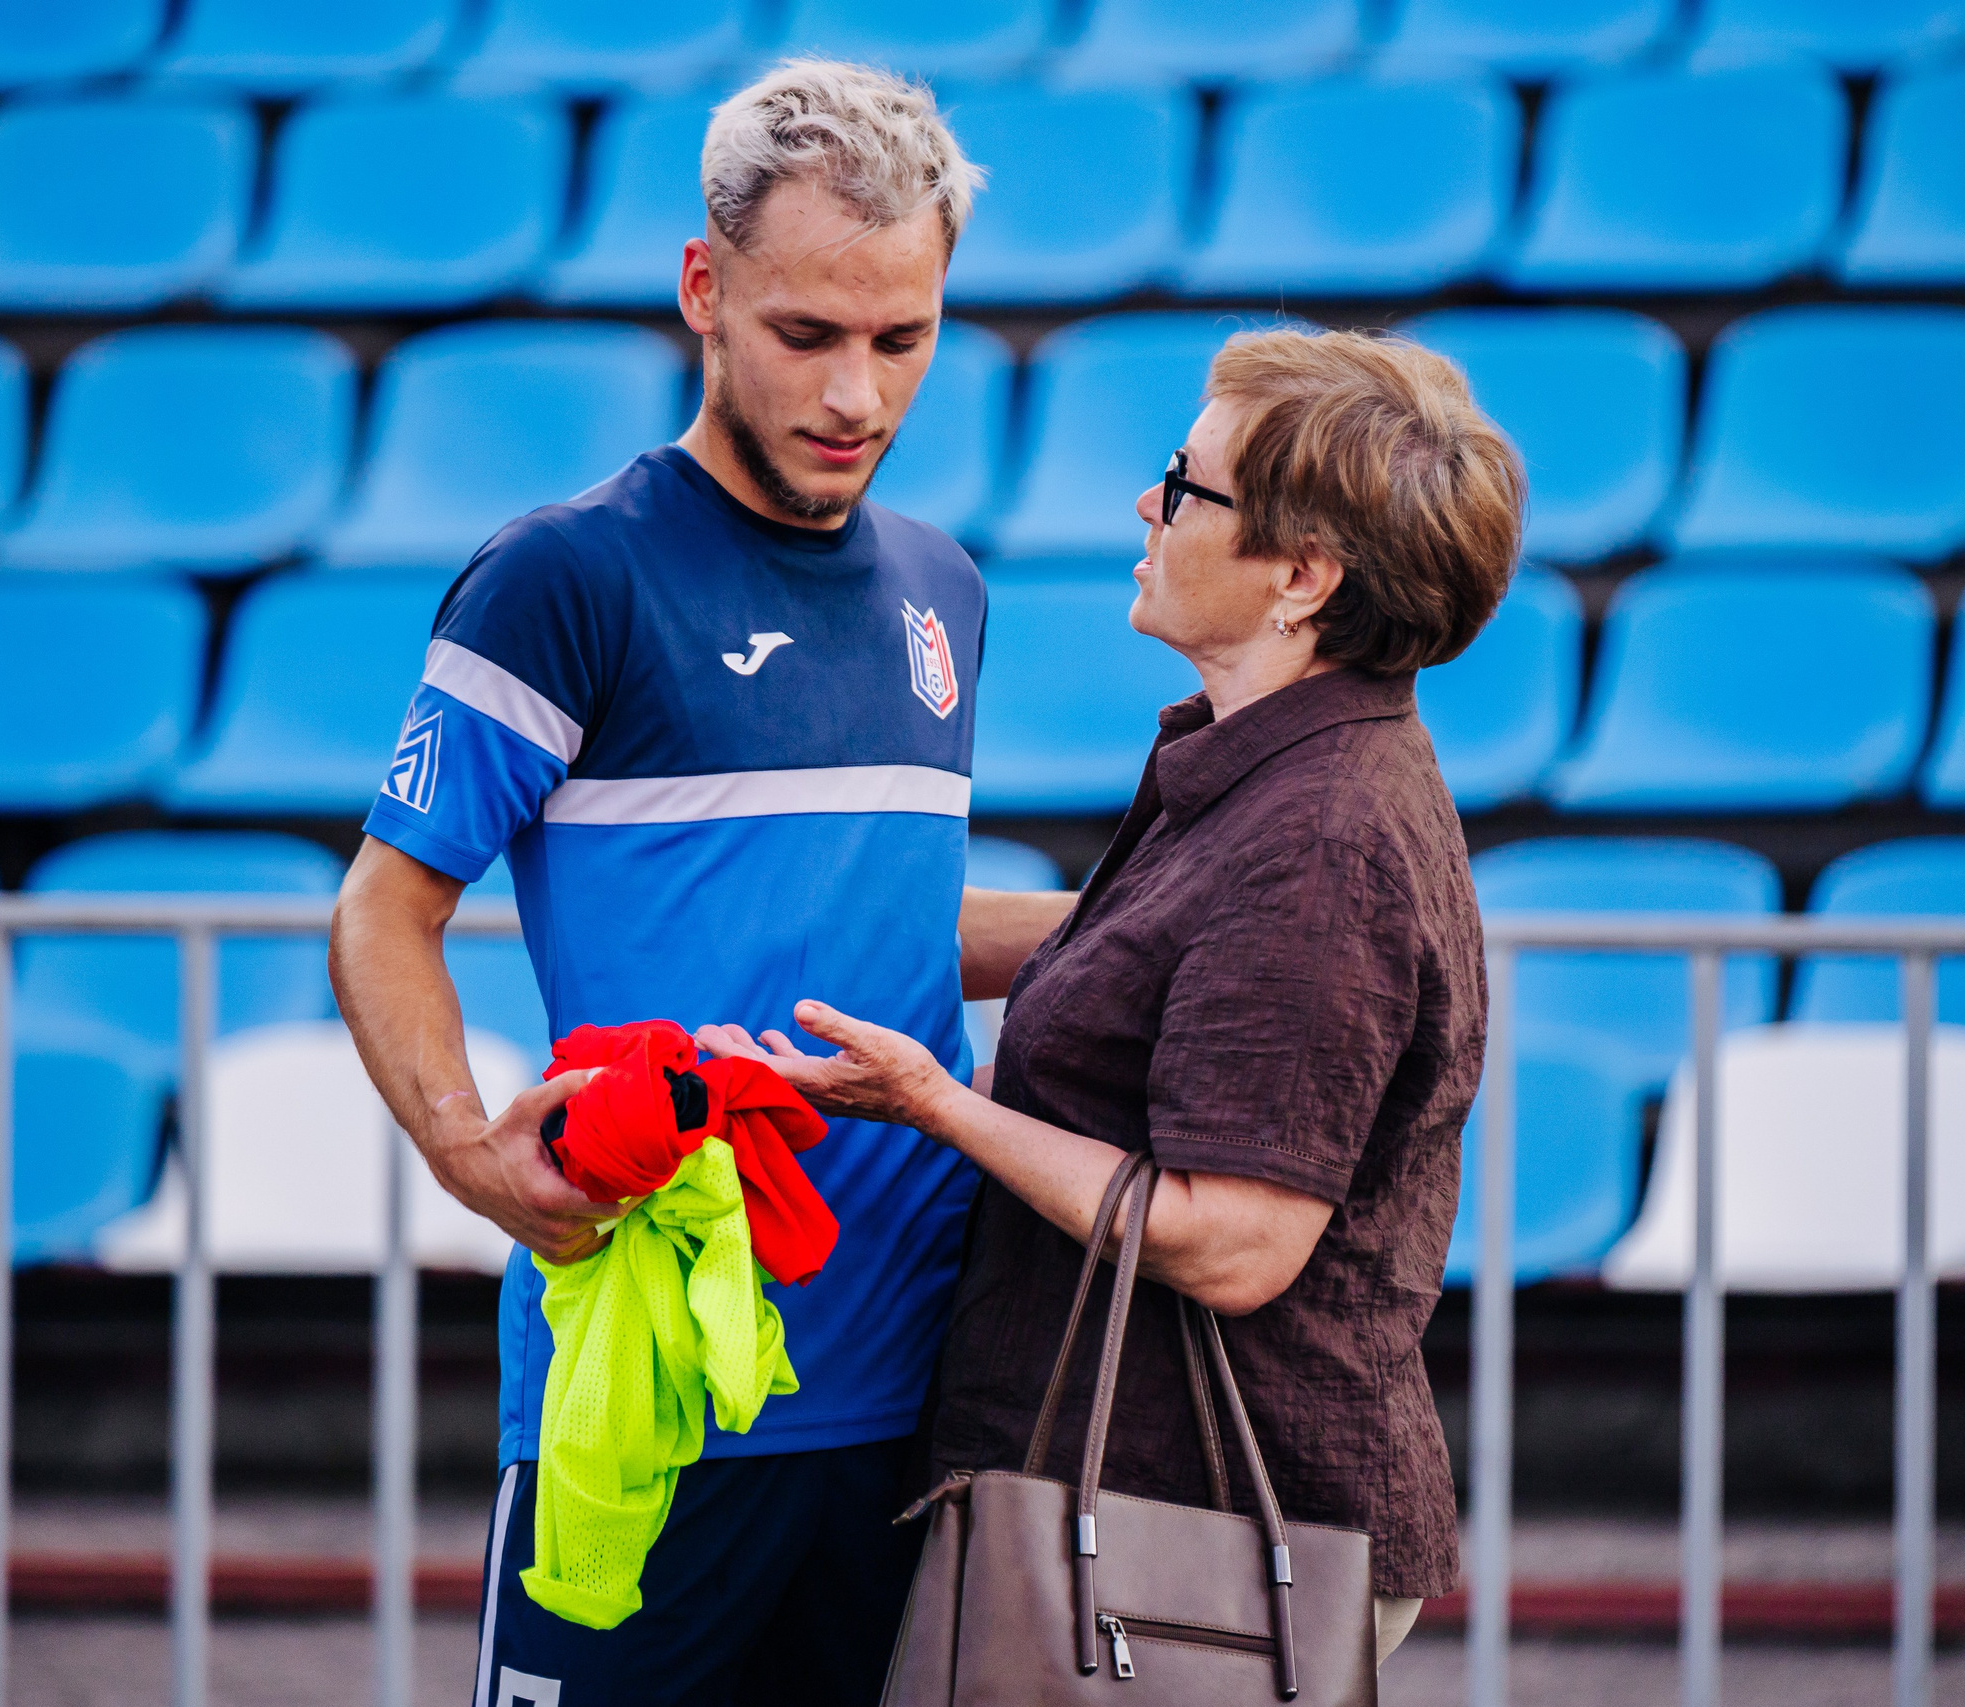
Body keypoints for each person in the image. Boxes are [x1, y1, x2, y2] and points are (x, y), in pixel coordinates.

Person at [698, 326, 1523, 1678]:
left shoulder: (1322, 842)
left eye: (1188, 487)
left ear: (1301, 579)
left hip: (1193, 1530)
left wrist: (932, 1103)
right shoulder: (1277, 775)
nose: (1150, 504)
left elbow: (1234, 1242)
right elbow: (1124, 956)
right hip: (1145, 1508)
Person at [329, 60, 990, 1707]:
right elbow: (383, 910)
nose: (857, 392)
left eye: (900, 339)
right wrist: (473, 1157)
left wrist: (1176, 928)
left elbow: (885, 922)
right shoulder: (564, 577)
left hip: (916, 1389)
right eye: (807, 335)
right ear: (705, 290)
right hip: (644, 1395)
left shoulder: (946, 590)